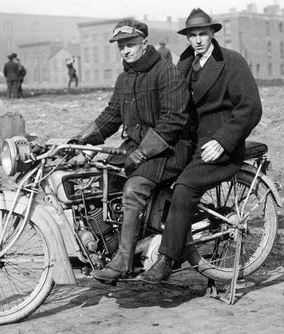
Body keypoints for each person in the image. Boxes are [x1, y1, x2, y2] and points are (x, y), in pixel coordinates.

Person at [137, 8, 262, 282]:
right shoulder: (183, 65)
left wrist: (223, 139)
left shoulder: (231, 62)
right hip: (189, 146)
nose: (197, 40)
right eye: (192, 35)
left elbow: (250, 108)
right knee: (149, 174)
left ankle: (167, 260)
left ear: (213, 33)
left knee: (185, 187)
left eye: (203, 34)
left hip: (220, 148)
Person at [69, 18, 193, 284]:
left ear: (144, 43)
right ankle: (111, 245)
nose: (125, 50)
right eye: (121, 46)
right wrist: (78, 140)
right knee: (101, 179)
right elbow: (111, 116)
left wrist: (142, 153)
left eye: (130, 44)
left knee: (133, 188)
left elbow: (173, 120)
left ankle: (123, 261)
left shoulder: (166, 72)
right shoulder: (125, 78)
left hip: (169, 149)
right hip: (139, 149)